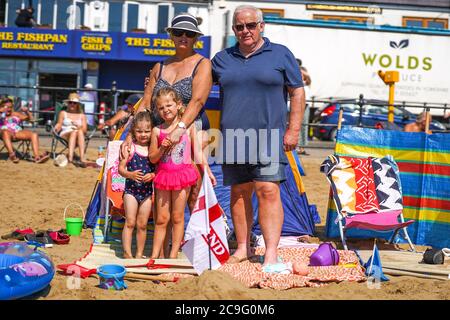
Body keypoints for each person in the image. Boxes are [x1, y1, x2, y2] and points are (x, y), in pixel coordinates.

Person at [212, 5, 305, 269]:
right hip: (233, 137)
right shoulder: (221, 59)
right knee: (239, 193)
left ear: (261, 26)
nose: (245, 31)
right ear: (234, 30)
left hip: (269, 136)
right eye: (239, 27)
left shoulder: (281, 54)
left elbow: (297, 92)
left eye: (250, 25)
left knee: (268, 191)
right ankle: (242, 248)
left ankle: (271, 253)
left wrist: (294, 129)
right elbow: (199, 90)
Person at [124, 12, 212, 212]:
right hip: (159, 132)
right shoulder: (159, 66)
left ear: (196, 38)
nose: (184, 37)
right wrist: (131, 135)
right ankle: (163, 238)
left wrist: (179, 130)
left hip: (191, 129)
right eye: (179, 32)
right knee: (157, 189)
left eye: (189, 34)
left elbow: (197, 102)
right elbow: (146, 104)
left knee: (193, 190)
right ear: (171, 35)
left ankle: (189, 239)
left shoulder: (203, 64)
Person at [149, 87, 216, 259]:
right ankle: (156, 255)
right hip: (163, 177)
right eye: (161, 107)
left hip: (183, 176)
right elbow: (153, 158)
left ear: (179, 105)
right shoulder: (157, 131)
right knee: (162, 219)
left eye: (169, 105)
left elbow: (198, 152)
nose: (166, 110)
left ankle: (172, 255)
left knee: (178, 217)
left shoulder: (189, 127)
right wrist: (162, 148)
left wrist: (207, 171)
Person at [118, 111, 155, 259]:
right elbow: (120, 169)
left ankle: (139, 254)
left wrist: (152, 175)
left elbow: (158, 170)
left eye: (147, 131)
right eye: (139, 131)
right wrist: (130, 175)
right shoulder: (130, 148)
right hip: (131, 191)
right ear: (133, 131)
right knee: (130, 222)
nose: (143, 134)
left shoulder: (153, 150)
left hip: (147, 192)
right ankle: (127, 253)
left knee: (143, 224)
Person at [0, 97, 49, 163]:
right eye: (6, 107)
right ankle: (12, 155)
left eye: (10, 107)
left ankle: (37, 157)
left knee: (34, 134)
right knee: (5, 132)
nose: (9, 109)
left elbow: (31, 120)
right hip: (5, 133)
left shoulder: (16, 114)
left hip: (17, 132)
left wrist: (27, 111)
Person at [54, 93, 88, 167]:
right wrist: (56, 127)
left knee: (78, 132)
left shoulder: (82, 116)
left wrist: (79, 126)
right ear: (67, 104)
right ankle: (70, 159)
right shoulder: (63, 113)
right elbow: (59, 124)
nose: (72, 104)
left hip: (78, 135)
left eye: (74, 103)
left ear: (77, 104)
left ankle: (82, 158)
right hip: (65, 133)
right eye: (70, 102)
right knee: (74, 133)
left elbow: (85, 130)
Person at [296, 63, 312, 155]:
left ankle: (301, 147)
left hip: (303, 109)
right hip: (298, 108)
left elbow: (305, 101)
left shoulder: (305, 87)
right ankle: (298, 147)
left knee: (302, 127)